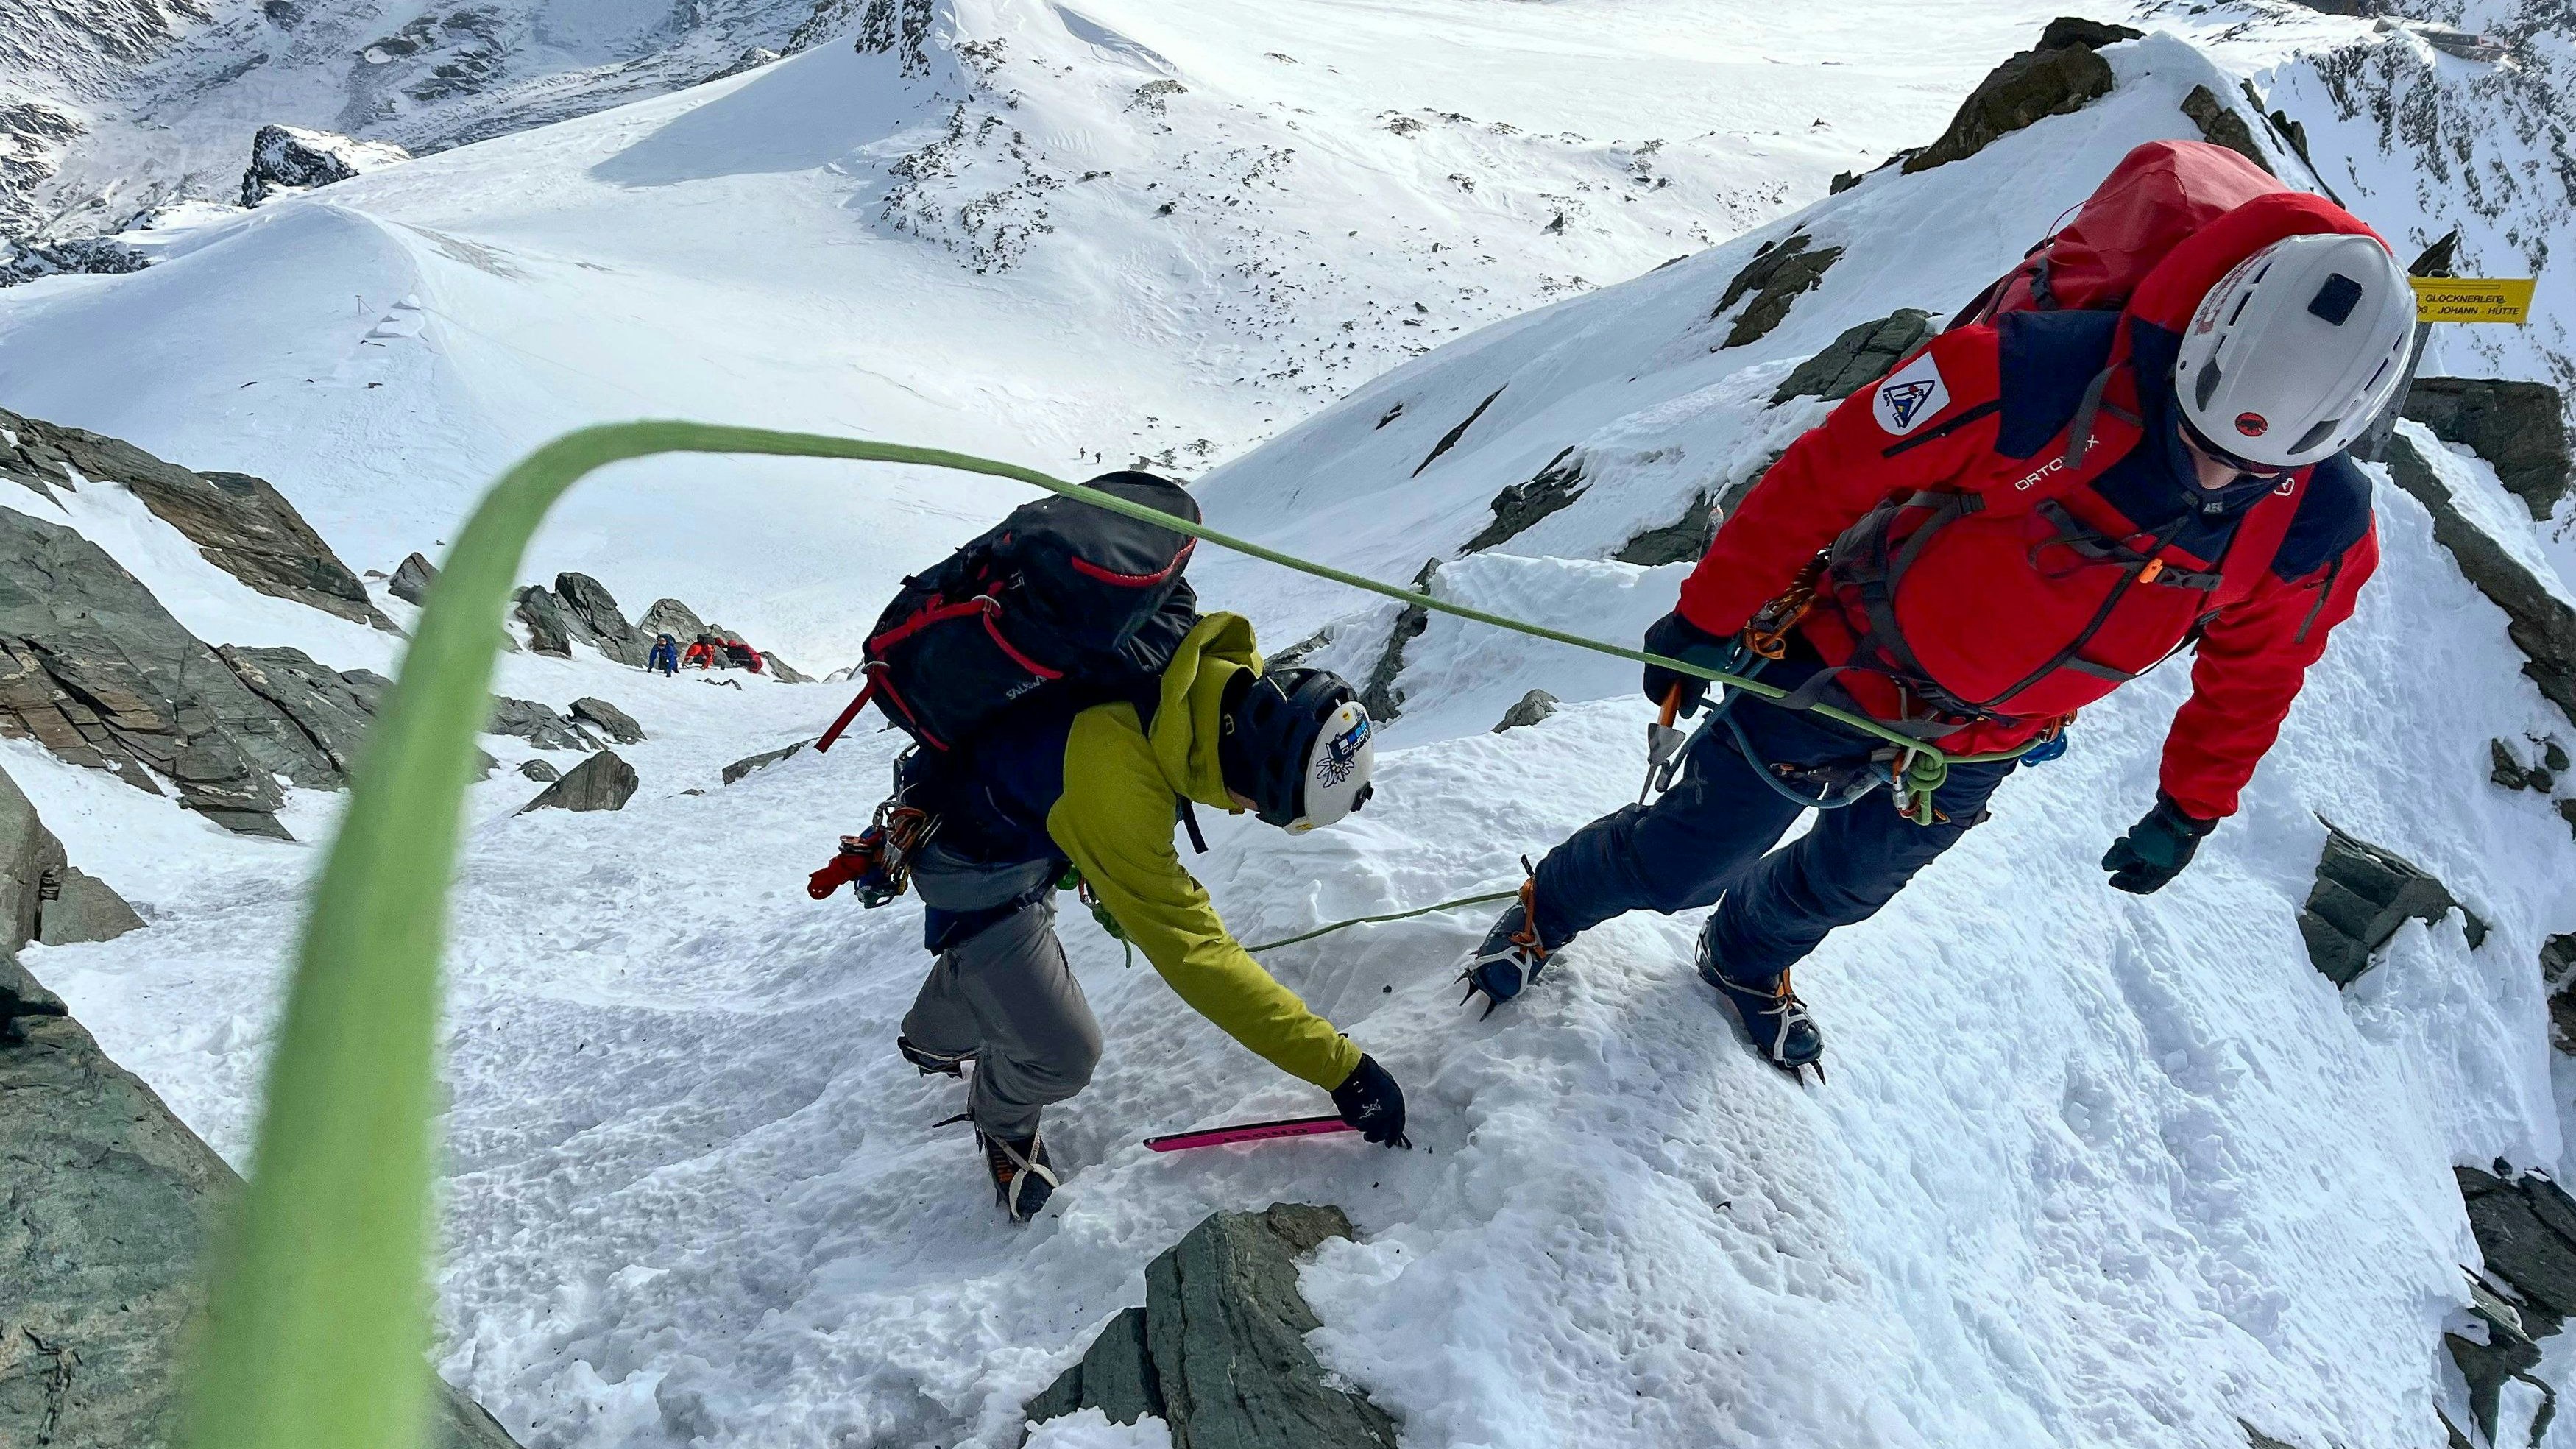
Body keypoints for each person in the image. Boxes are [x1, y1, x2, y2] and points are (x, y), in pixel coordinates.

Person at [1461, 192, 2414, 1080]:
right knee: (1683, 861)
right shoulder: (2034, 374)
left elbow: (2263, 669)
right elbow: (1832, 470)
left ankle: (1744, 959)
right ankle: (1550, 908)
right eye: (2199, 436)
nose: (2208, 476)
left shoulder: (2318, 529)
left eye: (2243, 467)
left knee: (1847, 883)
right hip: (1834, 666)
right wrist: (1711, 615)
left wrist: (2192, 807)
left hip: (1985, 739)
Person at [811, 614, 1405, 1221]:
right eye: (1264, 808)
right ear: (1260, 778)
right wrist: (1342, 1069)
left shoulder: (1206, 679)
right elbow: (1201, 960)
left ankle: (936, 1033)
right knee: (1064, 1053)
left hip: (1018, 832)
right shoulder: (1117, 789)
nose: (1245, 812)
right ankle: (1001, 1119)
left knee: (1000, 977)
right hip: (974, 868)